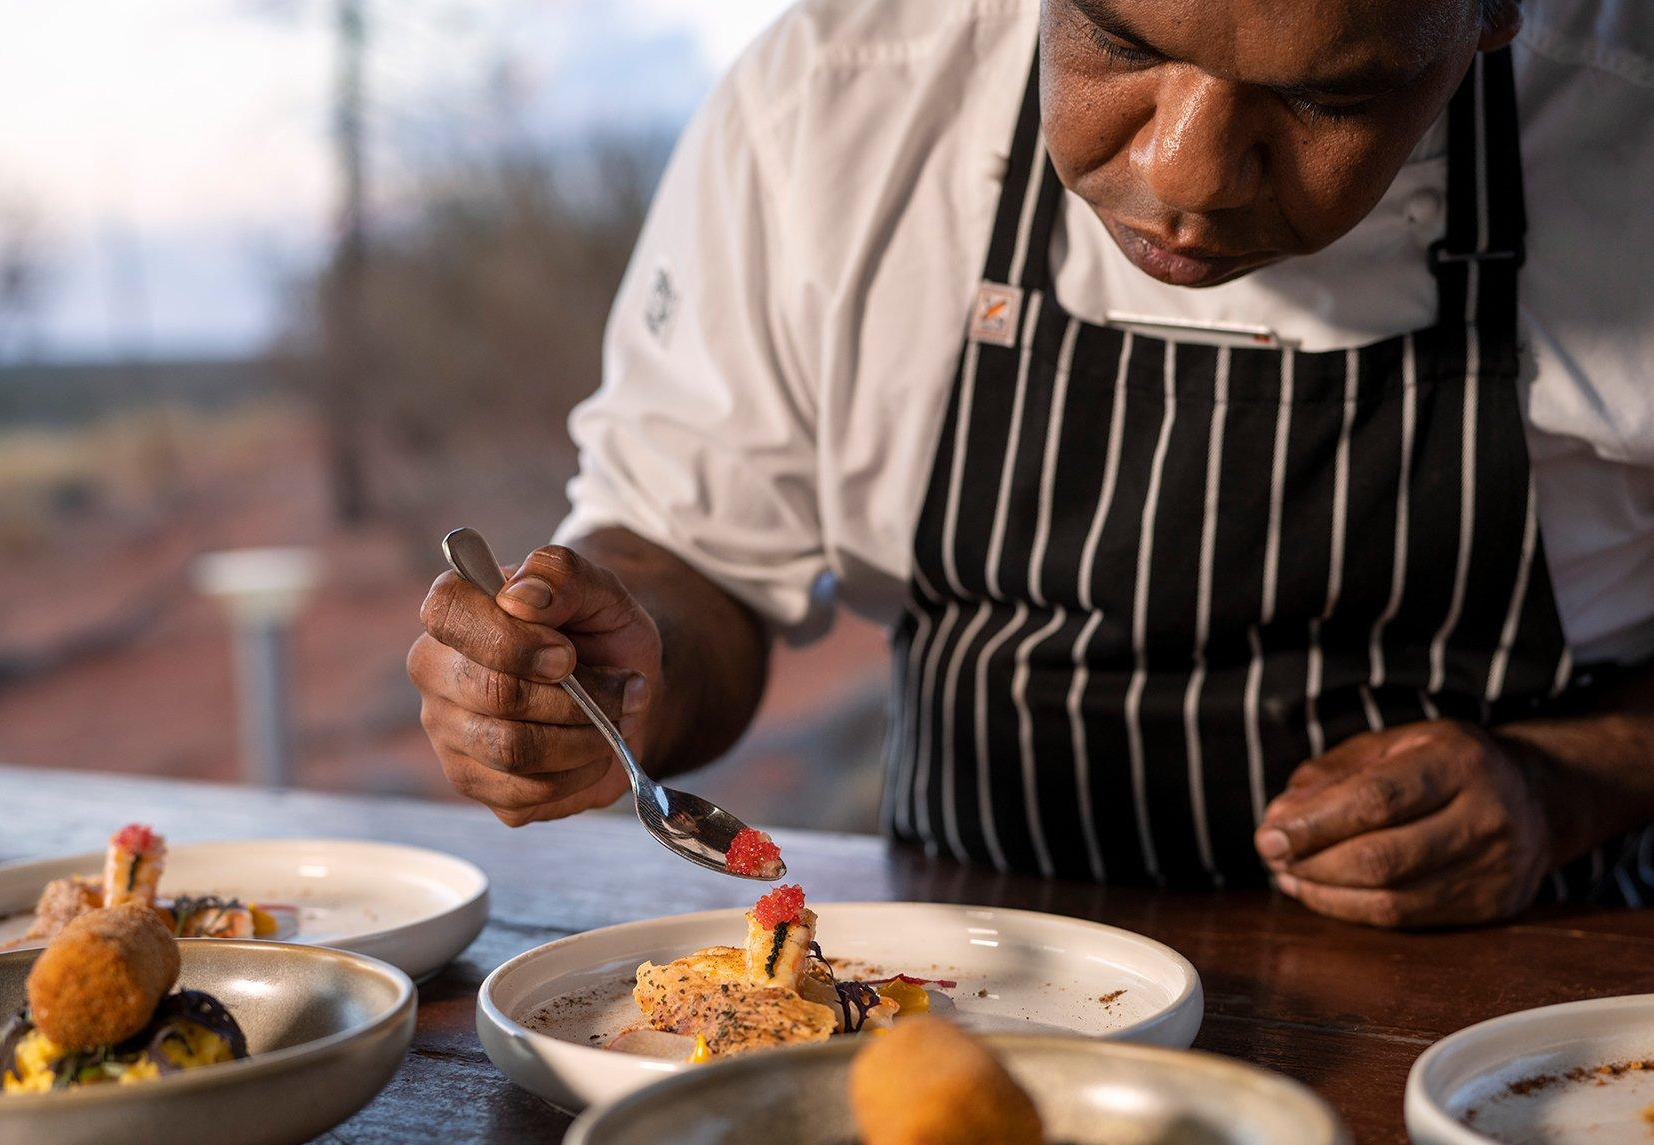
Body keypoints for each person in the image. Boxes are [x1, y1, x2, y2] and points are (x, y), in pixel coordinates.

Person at [408, 0, 1654, 927]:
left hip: (1523, 1037)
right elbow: (694, 558)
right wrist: (614, 681)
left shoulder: (1627, 117)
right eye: (1117, 39)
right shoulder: (837, 102)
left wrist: (1569, 784)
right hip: (964, 992)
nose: (1184, 172)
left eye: (1326, 98)